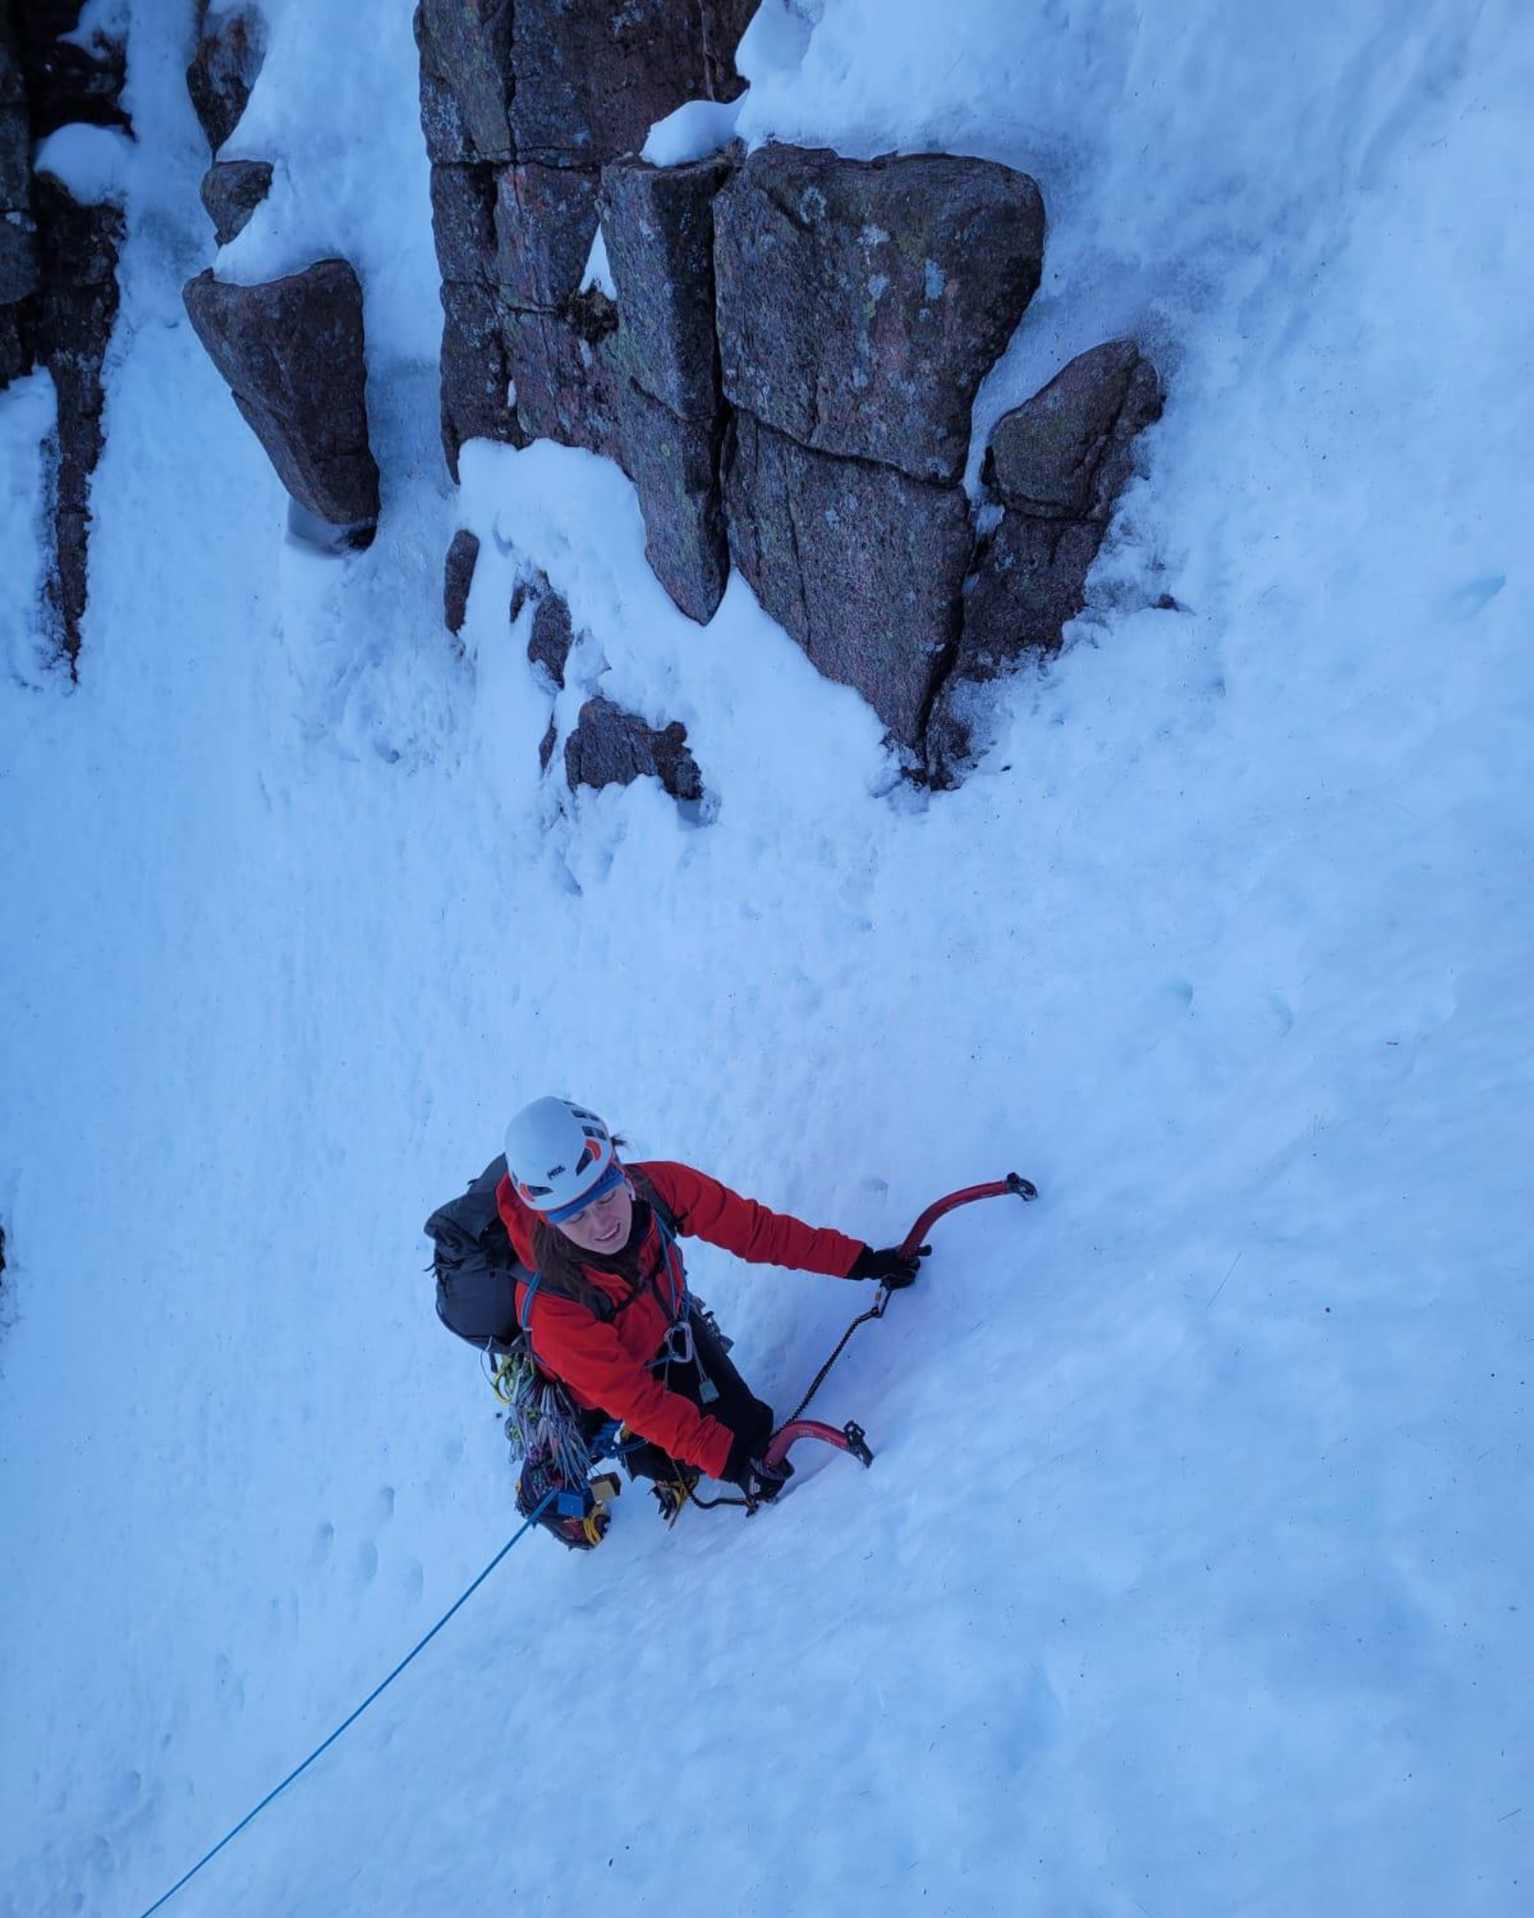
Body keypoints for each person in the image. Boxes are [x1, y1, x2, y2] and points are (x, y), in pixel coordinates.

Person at [497, 1095, 923, 1544]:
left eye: (604, 1197)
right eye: (576, 1216)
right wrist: (733, 1465)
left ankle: (665, 1458)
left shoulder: (659, 1188)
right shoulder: (551, 1305)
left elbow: (759, 1232)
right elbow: (638, 1403)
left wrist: (862, 1261)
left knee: (753, 1433)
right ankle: (543, 1485)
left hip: (663, 1330)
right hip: (584, 1395)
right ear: (548, 1220)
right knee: (668, 1451)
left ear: (618, 1168)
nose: (601, 1224)